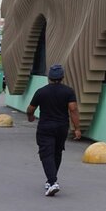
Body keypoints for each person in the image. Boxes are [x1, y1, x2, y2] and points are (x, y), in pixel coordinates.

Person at [26, 64, 81, 197]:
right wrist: (77, 128)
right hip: (62, 127)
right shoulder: (68, 91)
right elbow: (73, 109)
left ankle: (52, 182)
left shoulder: (41, 92)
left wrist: (30, 116)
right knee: (57, 152)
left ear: (49, 77)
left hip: (45, 127)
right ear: (62, 77)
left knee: (46, 154)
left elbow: (31, 108)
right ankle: (51, 180)